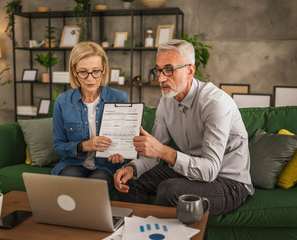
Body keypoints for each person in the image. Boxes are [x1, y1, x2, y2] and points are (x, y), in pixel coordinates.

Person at [113, 39, 254, 216]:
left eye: (169, 70)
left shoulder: (215, 103)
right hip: (191, 175)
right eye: (158, 70)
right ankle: (139, 231)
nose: (161, 78)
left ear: (190, 71)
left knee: (170, 190)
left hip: (228, 182)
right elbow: (153, 153)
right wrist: (132, 168)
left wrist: (164, 152)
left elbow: (210, 170)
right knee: (131, 180)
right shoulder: (166, 100)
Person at [51, 41, 128, 193]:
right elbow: (58, 146)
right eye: (83, 72)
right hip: (73, 164)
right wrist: (83, 146)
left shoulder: (119, 98)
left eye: (96, 71)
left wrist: (121, 155)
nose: (90, 78)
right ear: (74, 71)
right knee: (69, 183)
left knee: (95, 187)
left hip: (107, 165)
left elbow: (125, 144)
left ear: (104, 69)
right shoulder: (62, 101)